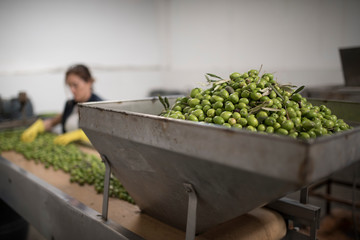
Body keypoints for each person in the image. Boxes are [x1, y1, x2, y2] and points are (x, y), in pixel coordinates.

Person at [21, 64, 103, 145]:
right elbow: (54, 121)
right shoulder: (70, 105)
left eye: (75, 85)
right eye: (69, 86)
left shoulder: (101, 107)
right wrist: (38, 126)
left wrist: (80, 135)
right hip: (70, 151)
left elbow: (105, 135)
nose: (72, 90)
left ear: (89, 82)